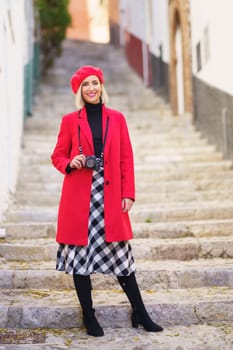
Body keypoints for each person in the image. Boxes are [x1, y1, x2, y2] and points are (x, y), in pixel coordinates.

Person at [51, 65, 163, 337]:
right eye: (86, 85)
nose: (91, 88)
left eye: (95, 83)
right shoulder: (70, 120)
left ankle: (140, 312)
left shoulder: (117, 118)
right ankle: (88, 316)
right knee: (80, 257)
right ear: (79, 91)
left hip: (110, 194)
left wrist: (128, 193)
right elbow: (57, 156)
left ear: (102, 86)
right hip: (80, 196)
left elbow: (126, 157)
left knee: (121, 255)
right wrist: (71, 162)